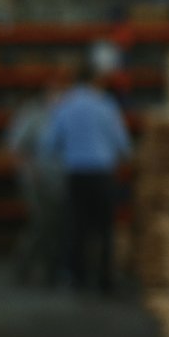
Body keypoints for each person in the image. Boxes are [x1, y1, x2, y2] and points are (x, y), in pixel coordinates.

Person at [44, 41, 133, 295]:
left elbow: (49, 143)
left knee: (76, 227)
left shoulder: (65, 105)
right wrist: (126, 159)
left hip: (76, 174)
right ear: (98, 80)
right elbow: (122, 144)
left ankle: (76, 277)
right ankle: (105, 279)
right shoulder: (106, 107)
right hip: (102, 174)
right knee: (105, 228)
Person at [4, 75, 67, 286]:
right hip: (36, 179)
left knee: (57, 225)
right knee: (40, 223)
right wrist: (29, 172)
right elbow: (16, 147)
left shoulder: (64, 115)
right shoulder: (33, 114)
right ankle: (23, 266)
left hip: (59, 180)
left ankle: (51, 270)